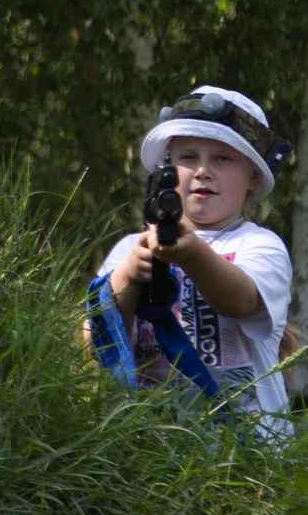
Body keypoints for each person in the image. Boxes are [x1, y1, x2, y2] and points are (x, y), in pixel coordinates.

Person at [91, 83, 297, 434]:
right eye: (188, 157)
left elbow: (242, 300)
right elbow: (97, 341)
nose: (203, 171)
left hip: (249, 462)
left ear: (254, 176)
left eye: (223, 158)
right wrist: (127, 276)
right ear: (166, 172)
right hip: (150, 458)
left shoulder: (260, 245)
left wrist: (192, 254)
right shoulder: (132, 247)